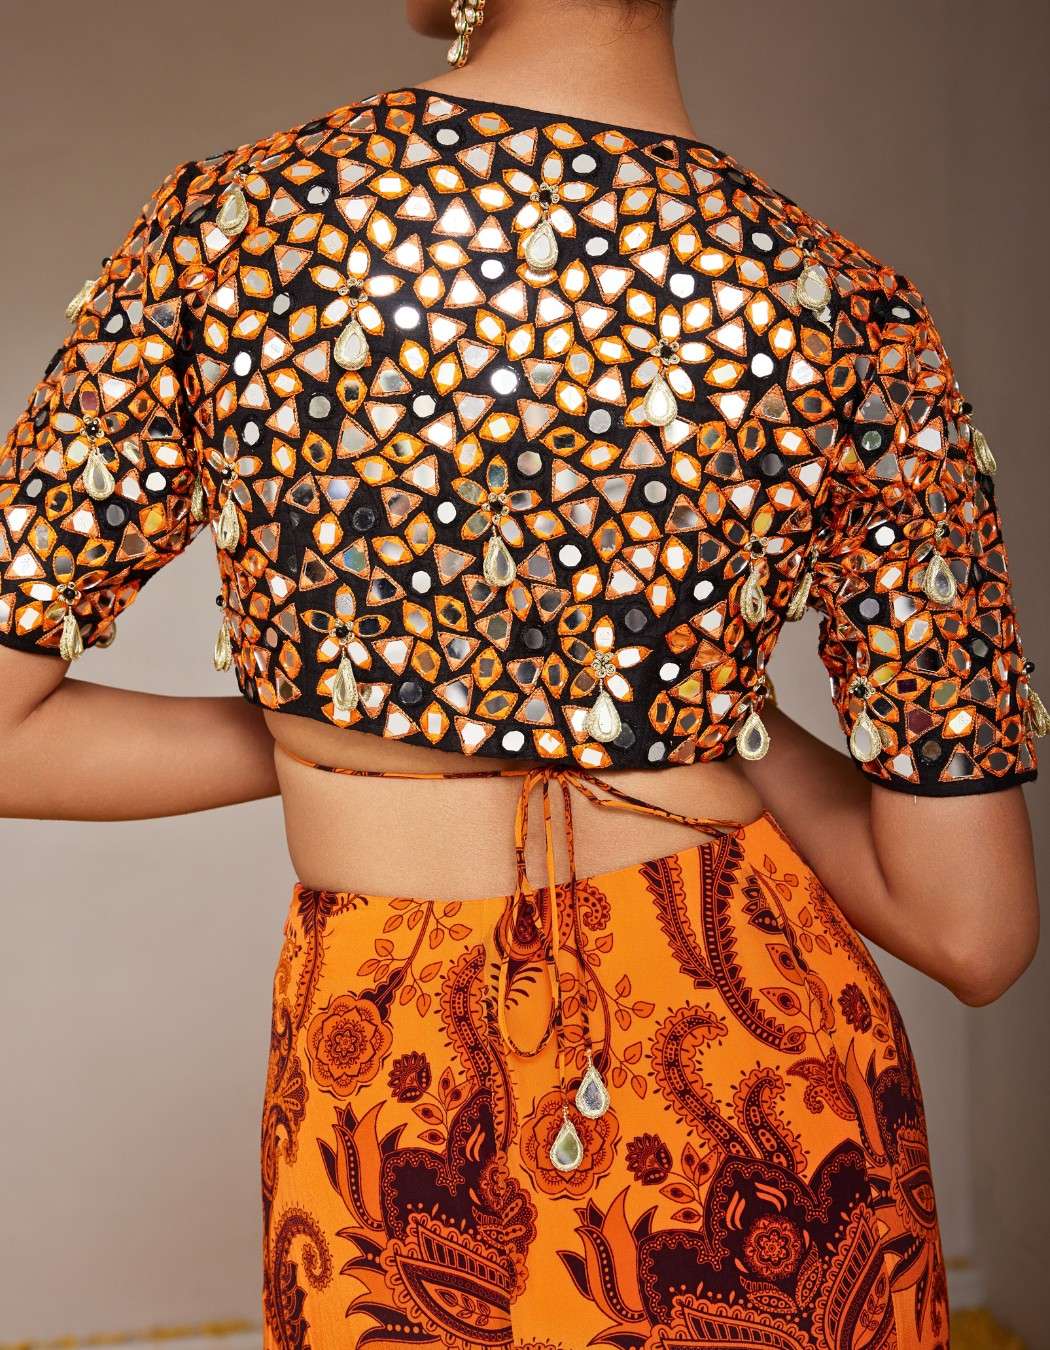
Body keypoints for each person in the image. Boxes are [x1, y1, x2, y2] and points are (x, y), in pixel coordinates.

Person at [0, 0, 1043, 1344]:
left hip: (385, 1106)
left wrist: (348, 722)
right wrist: (702, 709)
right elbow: (973, 931)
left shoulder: (236, 230)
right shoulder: (847, 308)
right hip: (767, 1095)